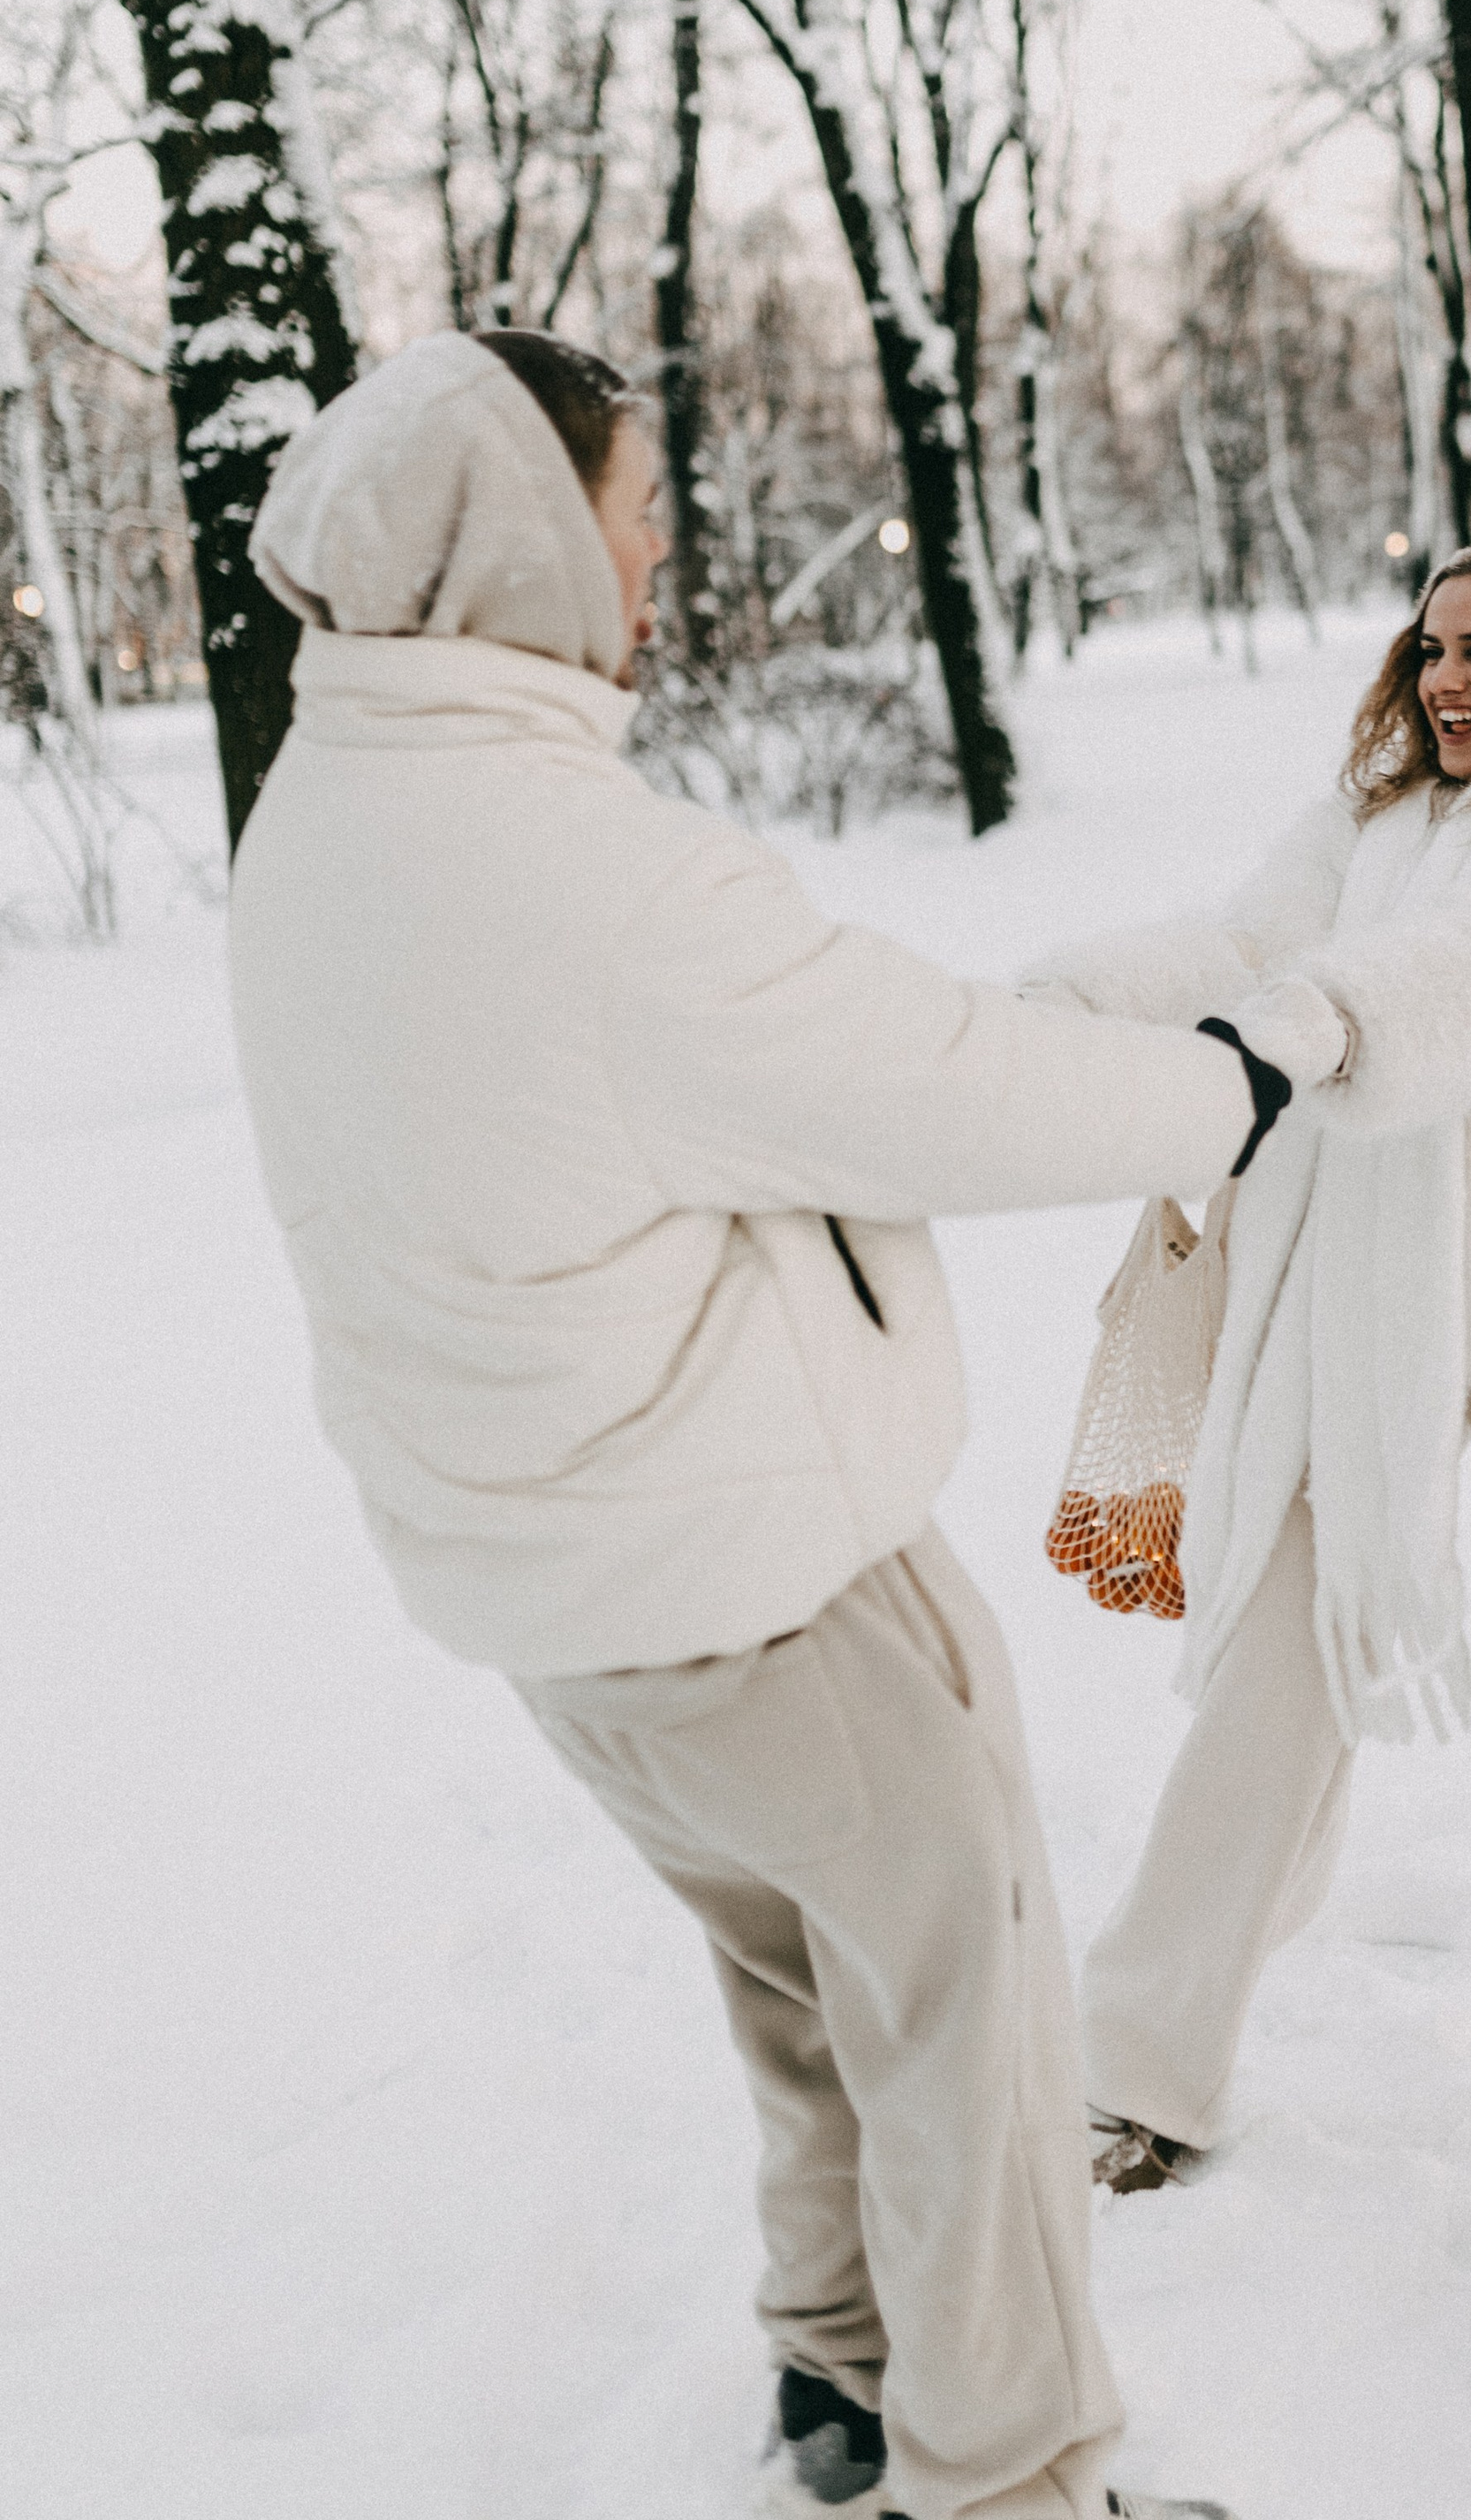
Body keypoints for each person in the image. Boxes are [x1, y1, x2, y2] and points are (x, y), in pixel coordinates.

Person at [228, 329, 1290, 2520]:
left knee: (807, 1983)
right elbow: (933, 1084)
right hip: (767, 1580)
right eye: (627, 512)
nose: (652, 553)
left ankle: (837, 2366)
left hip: (555, 1591)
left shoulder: (324, 808)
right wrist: (1227, 1087)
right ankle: (995, 2476)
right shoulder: (578, 867)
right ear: (518, 538)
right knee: (967, 2015)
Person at [1022, 543, 1471, 2454]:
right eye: (1427, 648)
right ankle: (1139, 2067)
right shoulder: (1381, 820)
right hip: (1380, 1334)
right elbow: (1239, 941)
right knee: (1262, 1687)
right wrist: (1054, 1006)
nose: (1445, 680)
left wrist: (1322, 1020)